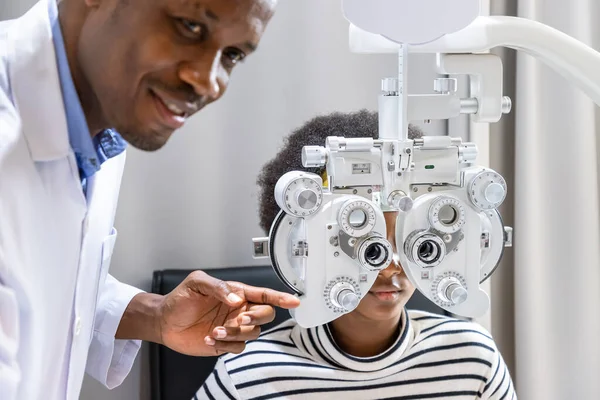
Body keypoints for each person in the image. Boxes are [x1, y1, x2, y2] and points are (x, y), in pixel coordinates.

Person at [0, 0, 300, 399]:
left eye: (232, 55)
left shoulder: (102, 121)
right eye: (190, 26)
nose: (209, 82)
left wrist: (155, 317)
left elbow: (34, 274)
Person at [196, 110, 516, 400]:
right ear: (303, 244)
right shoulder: (247, 375)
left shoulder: (473, 358)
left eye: (411, 243)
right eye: (369, 248)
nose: (390, 268)